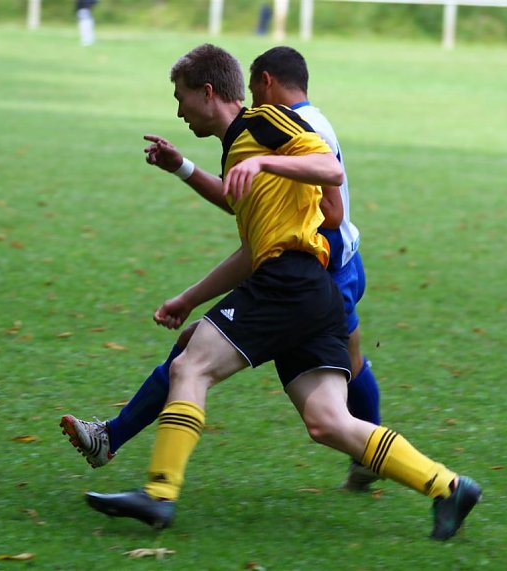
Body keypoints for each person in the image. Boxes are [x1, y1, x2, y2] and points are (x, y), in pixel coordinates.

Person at [80, 43, 481, 540]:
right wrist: (189, 297)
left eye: (181, 98)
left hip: (289, 283)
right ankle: (448, 486)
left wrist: (268, 166)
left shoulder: (265, 122)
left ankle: (159, 494)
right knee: (329, 421)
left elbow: (331, 169)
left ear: (208, 93)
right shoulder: (240, 148)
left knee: (190, 365)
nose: (178, 111)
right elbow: (252, 245)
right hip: (308, 291)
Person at [61, 46, 381, 492]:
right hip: (310, 265)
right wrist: (186, 168)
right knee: (344, 369)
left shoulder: (290, 127)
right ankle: (387, 463)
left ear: (266, 82)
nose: (248, 102)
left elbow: (329, 210)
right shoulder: (277, 128)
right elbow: (241, 202)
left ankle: (131, 457)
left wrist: (274, 195)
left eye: (253, 91)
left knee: (198, 356)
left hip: (318, 269)